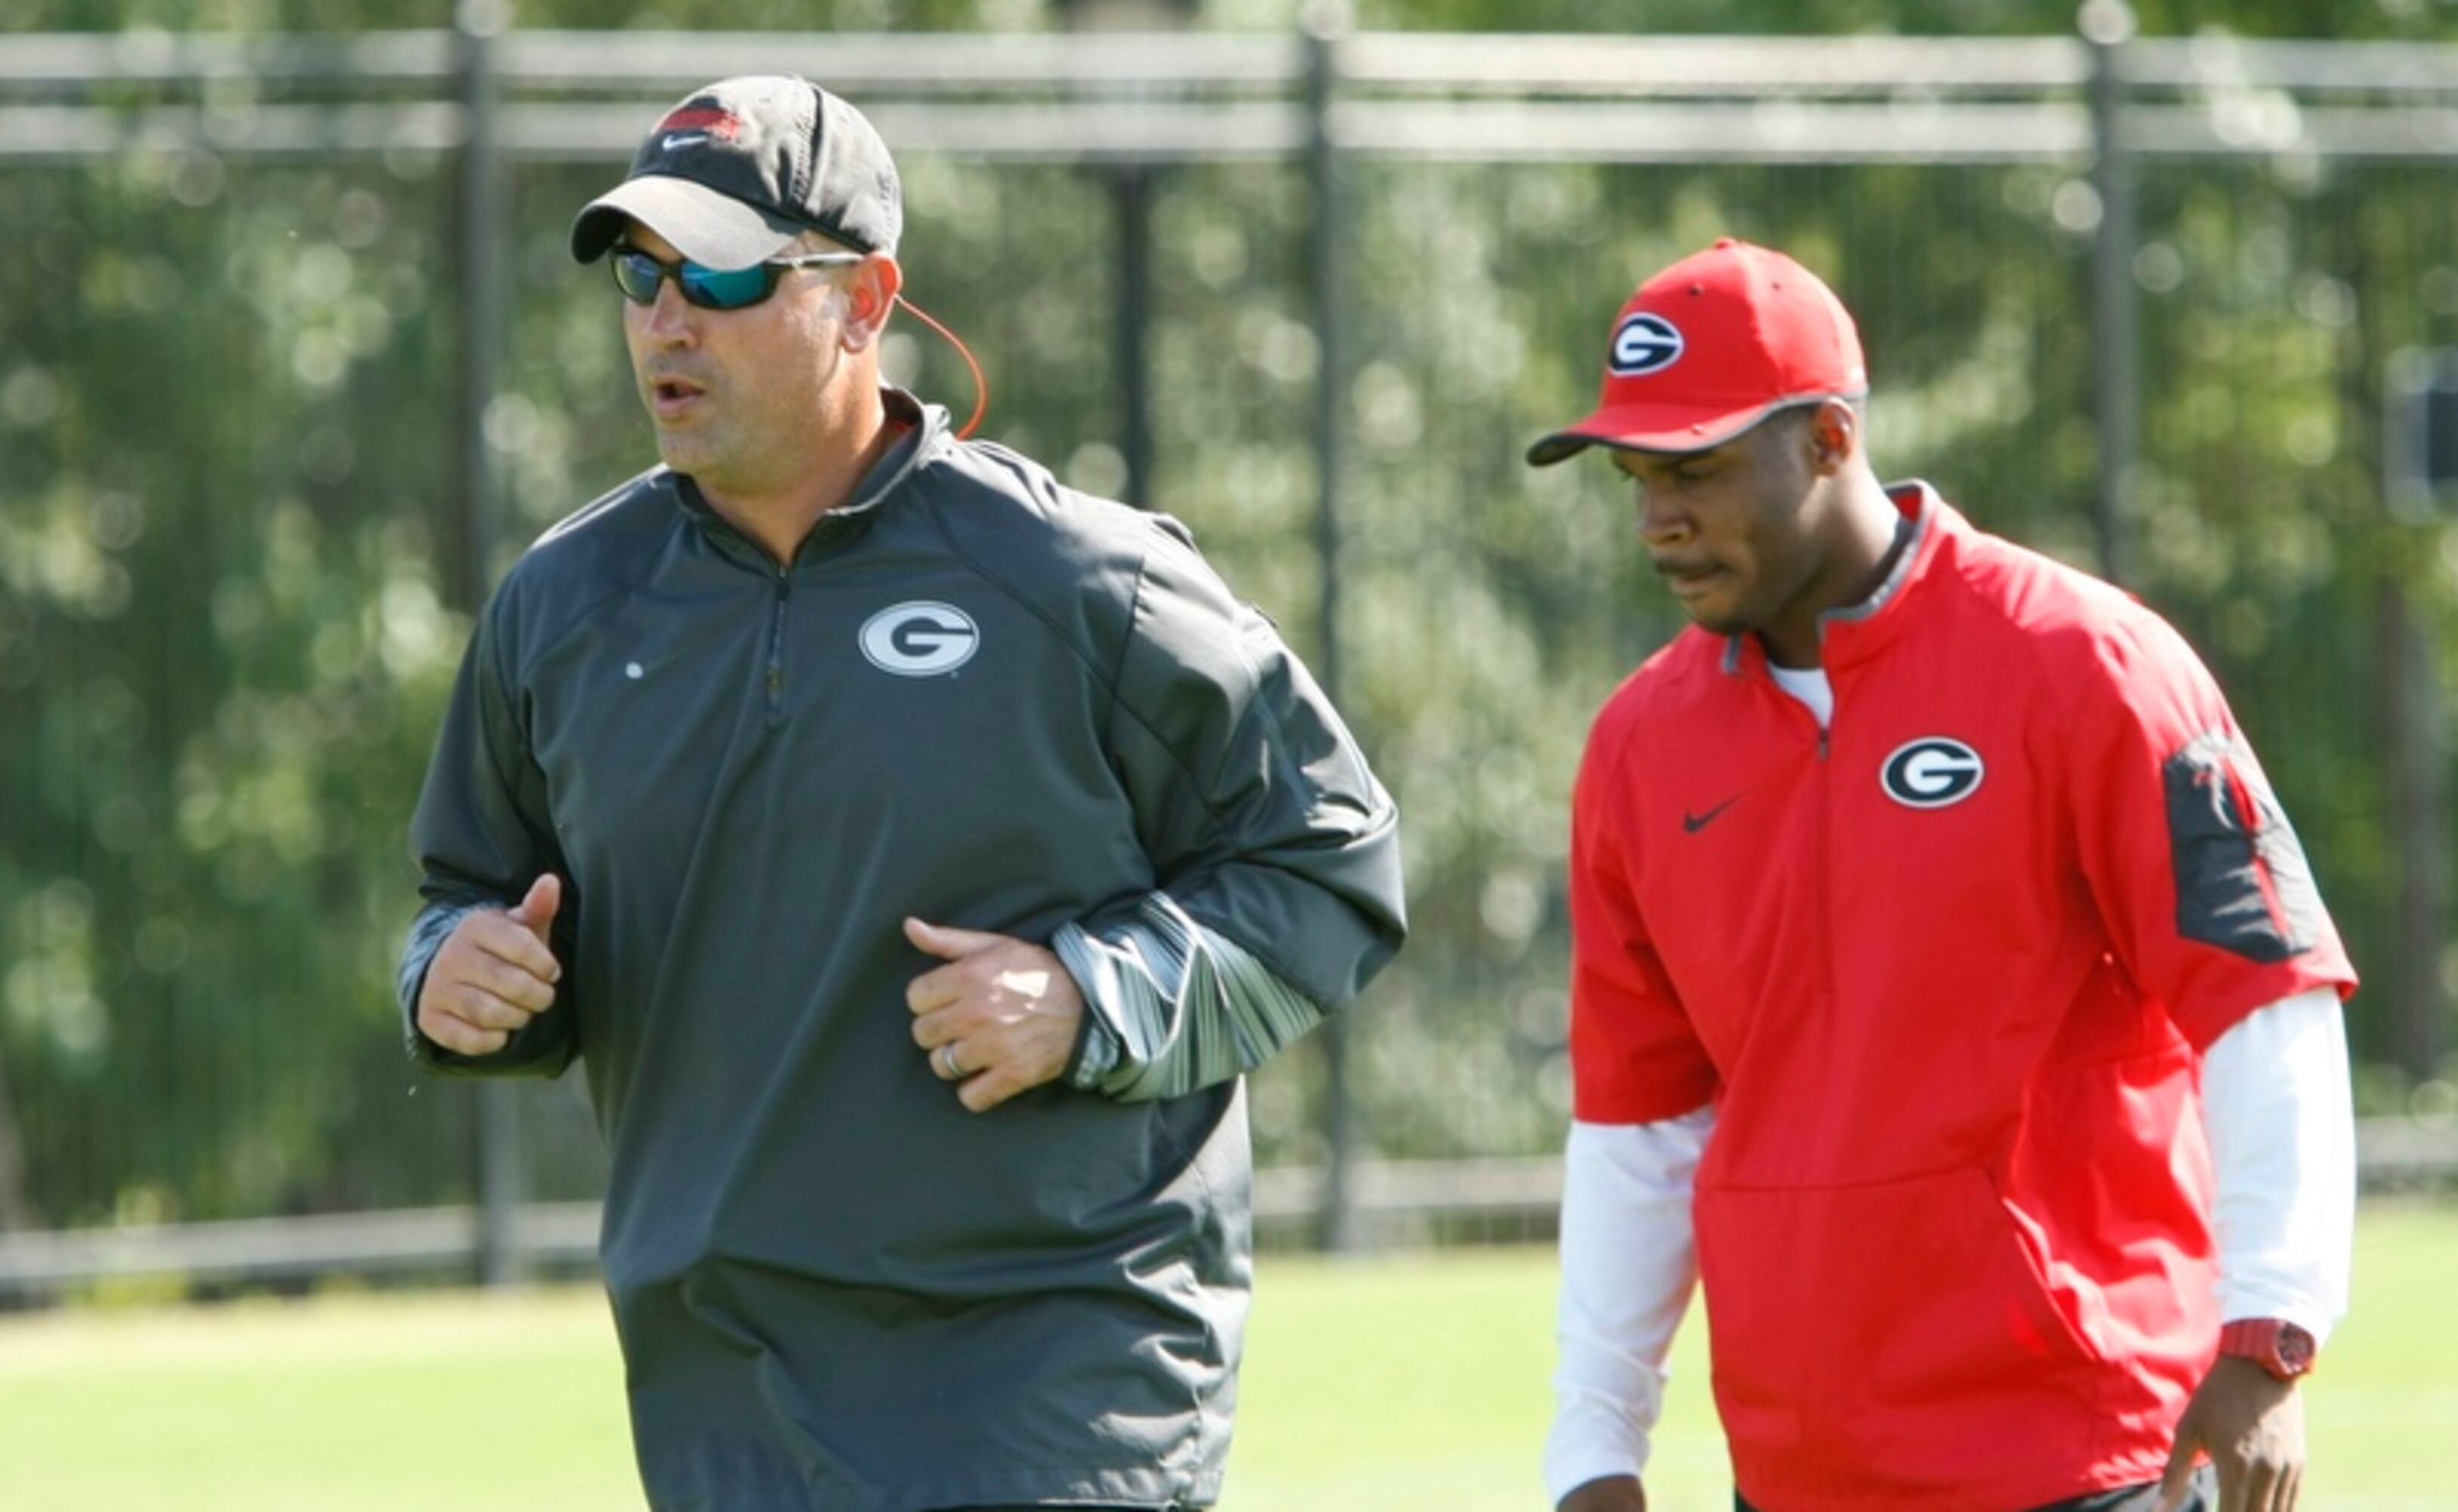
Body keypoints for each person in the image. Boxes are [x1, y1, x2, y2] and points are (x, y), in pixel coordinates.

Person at [396, 75, 1406, 1512]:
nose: (666, 321)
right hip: (719, 1387)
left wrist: (1089, 996)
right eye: (641, 274)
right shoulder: (562, 607)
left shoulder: (1081, 581)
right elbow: (466, 898)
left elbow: (1334, 865)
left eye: (725, 274)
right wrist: (457, 976)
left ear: (865, 301)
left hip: (1050, 1372)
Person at [1529, 239, 2358, 1512]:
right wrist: (1594, 1443)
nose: (1657, 518)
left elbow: (2265, 994)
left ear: (1828, 438)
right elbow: (1638, 1122)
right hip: (1802, 1475)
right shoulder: (1640, 744)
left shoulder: (2085, 664)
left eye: (1693, 469)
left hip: (2091, 1455)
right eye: (1637, 477)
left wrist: (2271, 1328)